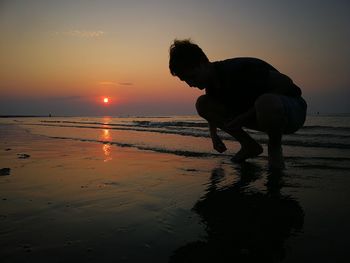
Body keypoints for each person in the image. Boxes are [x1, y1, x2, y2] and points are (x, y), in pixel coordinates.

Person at [169, 39, 307, 170]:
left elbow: (286, 83)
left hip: (292, 111)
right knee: (202, 103)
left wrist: (244, 117)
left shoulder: (238, 70)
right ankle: (249, 146)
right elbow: (211, 109)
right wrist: (214, 136)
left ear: (204, 63)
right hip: (260, 114)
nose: (190, 84)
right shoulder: (211, 84)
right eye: (185, 80)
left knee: (266, 102)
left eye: (192, 76)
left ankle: (275, 149)